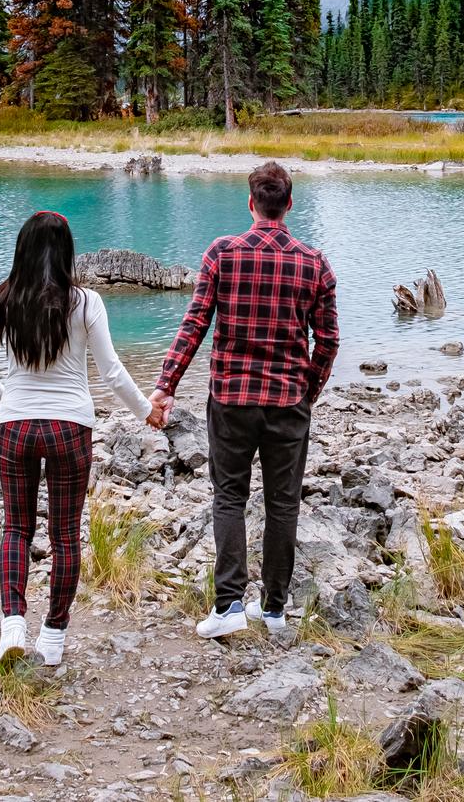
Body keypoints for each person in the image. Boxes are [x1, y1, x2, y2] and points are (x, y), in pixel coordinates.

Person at [147, 161, 339, 638]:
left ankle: (229, 606)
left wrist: (165, 386)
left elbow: (195, 325)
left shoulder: (222, 253)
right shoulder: (314, 263)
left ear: (251, 203)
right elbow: (329, 340)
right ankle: (274, 610)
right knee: (283, 503)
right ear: (289, 204)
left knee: (229, 496)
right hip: (288, 401)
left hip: (231, 398)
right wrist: (307, 393)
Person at [0, 210, 152, 670]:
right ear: (68, 251)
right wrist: (148, 412)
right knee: (65, 535)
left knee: (16, 527)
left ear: (22, 250)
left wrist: (6, 404)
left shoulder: (2, 299)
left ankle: (13, 621)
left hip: (15, 428)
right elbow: (111, 373)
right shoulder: (86, 302)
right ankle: (53, 632)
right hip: (71, 428)